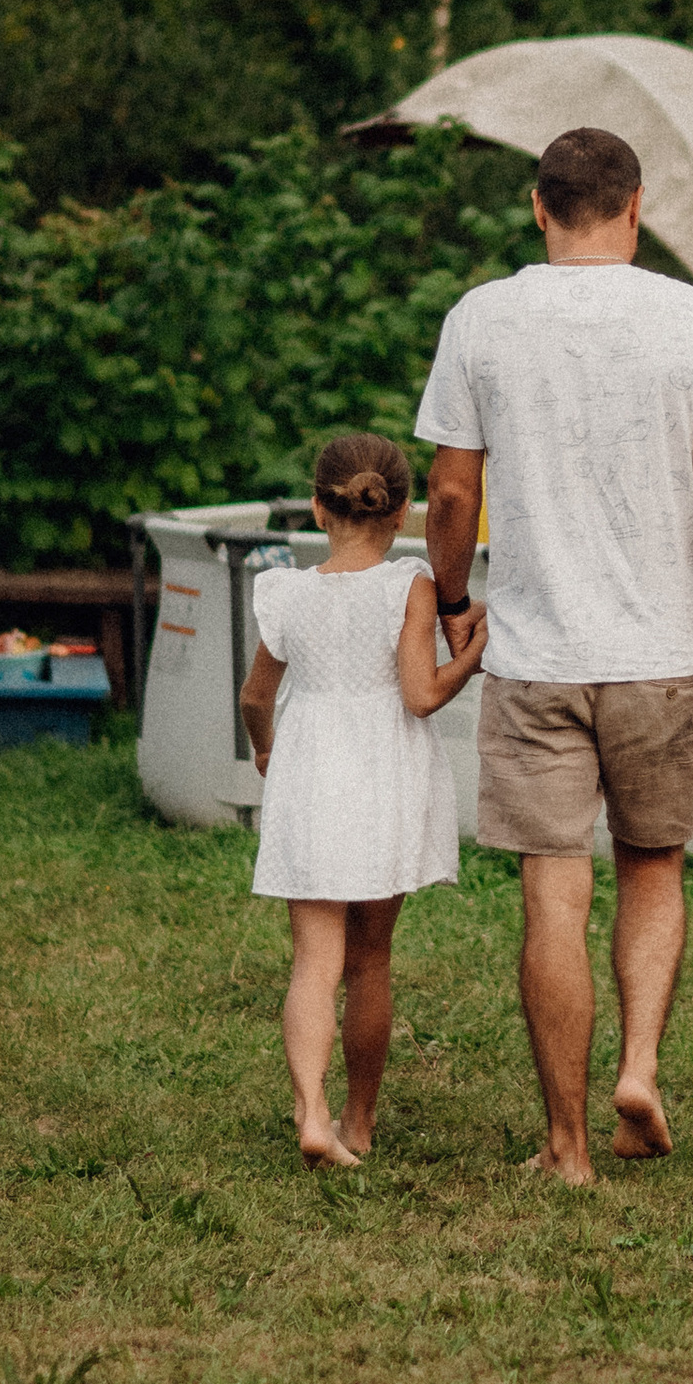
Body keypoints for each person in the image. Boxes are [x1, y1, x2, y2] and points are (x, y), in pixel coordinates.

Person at [417, 124, 693, 1185]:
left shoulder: (482, 316)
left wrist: (447, 599)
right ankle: (642, 1069)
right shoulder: (689, 316)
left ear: (537, 205)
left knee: (552, 892)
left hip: (533, 655)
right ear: (636, 205)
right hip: (656, 650)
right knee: (652, 869)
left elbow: (447, 493)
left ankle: (566, 1146)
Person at [238, 433, 486, 1172]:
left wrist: (266, 748)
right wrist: (472, 655)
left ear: (318, 507)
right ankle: (360, 1119)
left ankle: (311, 1110)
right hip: (383, 776)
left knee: (315, 960)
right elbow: (419, 693)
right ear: (403, 511)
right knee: (370, 959)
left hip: (310, 771)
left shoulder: (286, 589)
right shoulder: (408, 584)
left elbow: (256, 695)